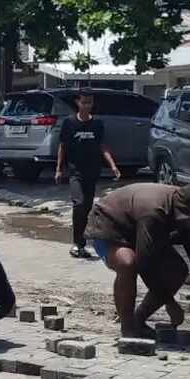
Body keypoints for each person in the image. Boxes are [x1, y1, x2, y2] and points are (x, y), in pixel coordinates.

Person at [86, 180, 190, 338]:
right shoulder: (154, 212)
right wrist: (170, 303)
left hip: (139, 228)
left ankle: (139, 319)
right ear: (188, 212)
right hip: (109, 225)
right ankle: (128, 327)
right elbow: (146, 263)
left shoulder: (186, 203)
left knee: (177, 270)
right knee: (128, 263)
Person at [55, 88, 121, 258]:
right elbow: (62, 146)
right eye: (84, 102)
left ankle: (81, 243)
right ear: (77, 102)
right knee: (79, 204)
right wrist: (59, 169)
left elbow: (102, 146)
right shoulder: (69, 123)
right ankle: (77, 243)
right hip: (75, 171)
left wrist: (112, 165)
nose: (87, 105)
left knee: (86, 208)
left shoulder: (97, 124)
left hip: (92, 171)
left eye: (89, 102)